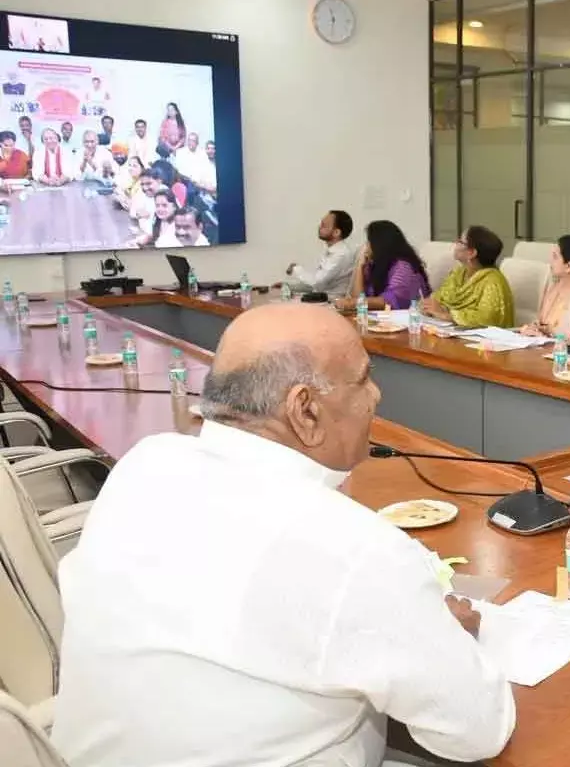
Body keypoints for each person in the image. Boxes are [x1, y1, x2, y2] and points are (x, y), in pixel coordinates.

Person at [51, 303, 517, 767]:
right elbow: (477, 732)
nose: (376, 396)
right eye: (363, 379)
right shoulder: (351, 548)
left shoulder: (146, 463)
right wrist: (448, 638)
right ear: (305, 411)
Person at [422, 225, 515, 328]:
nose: (456, 242)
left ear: (472, 253)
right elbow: (440, 298)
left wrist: (448, 315)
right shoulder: (459, 273)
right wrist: (431, 307)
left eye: (460, 241)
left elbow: (487, 319)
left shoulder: (493, 282)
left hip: (482, 341)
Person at [338, 220, 431, 312]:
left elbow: (390, 300)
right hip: (384, 319)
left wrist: (352, 303)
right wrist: (360, 266)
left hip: (409, 320)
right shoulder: (377, 265)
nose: (366, 246)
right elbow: (359, 299)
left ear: (380, 244)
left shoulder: (403, 266)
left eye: (369, 241)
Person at [285, 211, 358, 298]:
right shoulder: (331, 250)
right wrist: (288, 286)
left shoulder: (341, 255)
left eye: (324, 225)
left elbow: (317, 283)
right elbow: (314, 284)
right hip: (322, 299)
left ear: (336, 232)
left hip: (331, 303)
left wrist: (295, 269)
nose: (319, 227)